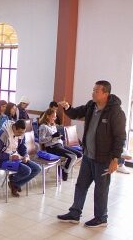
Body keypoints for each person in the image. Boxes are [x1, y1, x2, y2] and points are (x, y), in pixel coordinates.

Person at [57, 80, 126, 228]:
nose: (92, 93)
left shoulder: (116, 112)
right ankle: (75, 213)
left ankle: (101, 218)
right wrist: (68, 107)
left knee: (101, 190)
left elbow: (120, 137)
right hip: (88, 156)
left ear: (105, 93)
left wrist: (115, 159)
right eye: (93, 90)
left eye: (96, 91)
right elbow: (75, 113)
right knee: (81, 185)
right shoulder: (91, 106)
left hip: (104, 159)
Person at [0, 119, 41, 197]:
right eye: (19, 132)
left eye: (22, 133)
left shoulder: (21, 133)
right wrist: (10, 157)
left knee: (37, 169)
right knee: (27, 170)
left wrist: (25, 155)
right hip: (2, 159)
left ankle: (15, 183)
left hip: (16, 156)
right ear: (14, 128)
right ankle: (14, 181)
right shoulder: (3, 134)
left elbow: (22, 147)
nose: (20, 134)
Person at [39, 109, 82, 181]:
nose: (55, 118)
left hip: (59, 144)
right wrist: (52, 136)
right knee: (73, 156)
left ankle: (63, 166)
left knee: (79, 154)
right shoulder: (43, 127)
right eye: (53, 117)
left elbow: (55, 137)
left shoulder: (53, 125)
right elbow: (41, 140)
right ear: (47, 116)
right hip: (52, 147)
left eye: (55, 117)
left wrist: (59, 137)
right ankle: (65, 171)